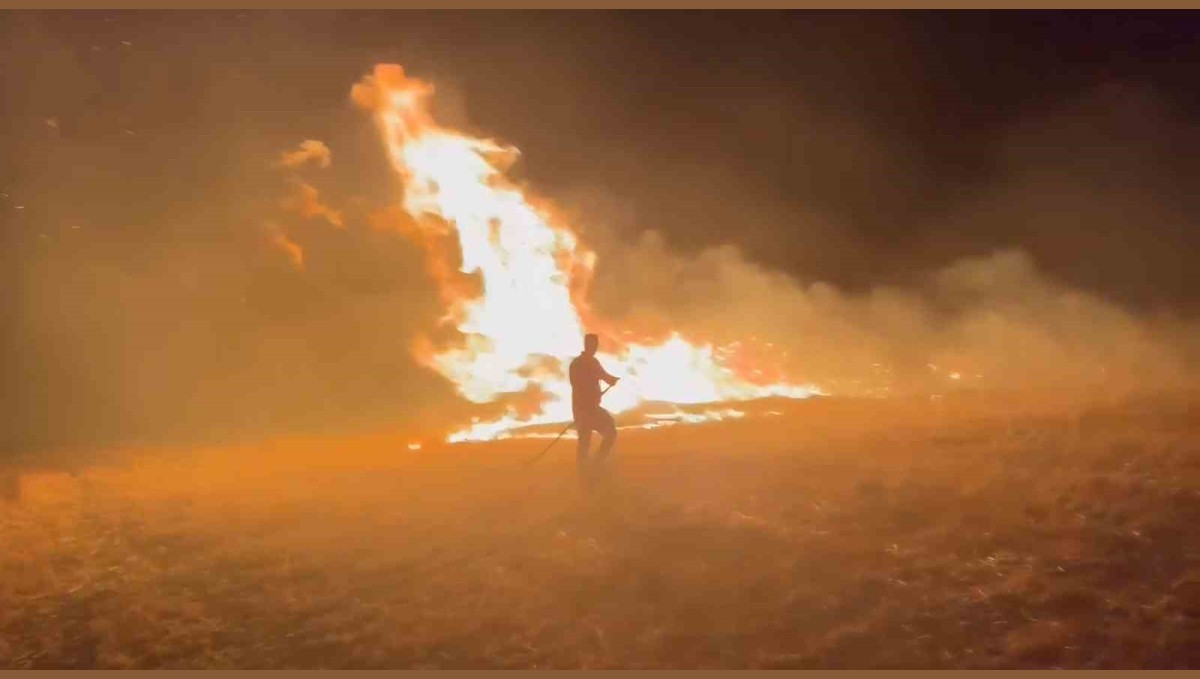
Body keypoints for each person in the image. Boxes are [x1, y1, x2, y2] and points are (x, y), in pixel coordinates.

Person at [569, 333, 619, 490]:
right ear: (585, 345)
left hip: (593, 409)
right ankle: (583, 476)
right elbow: (576, 386)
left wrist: (612, 380)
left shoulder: (594, 362)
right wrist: (589, 399)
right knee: (584, 441)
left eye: (595, 345)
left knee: (610, 431)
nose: (594, 348)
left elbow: (604, 376)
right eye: (591, 344)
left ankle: (597, 463)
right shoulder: (577, 364)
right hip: (583, 410)